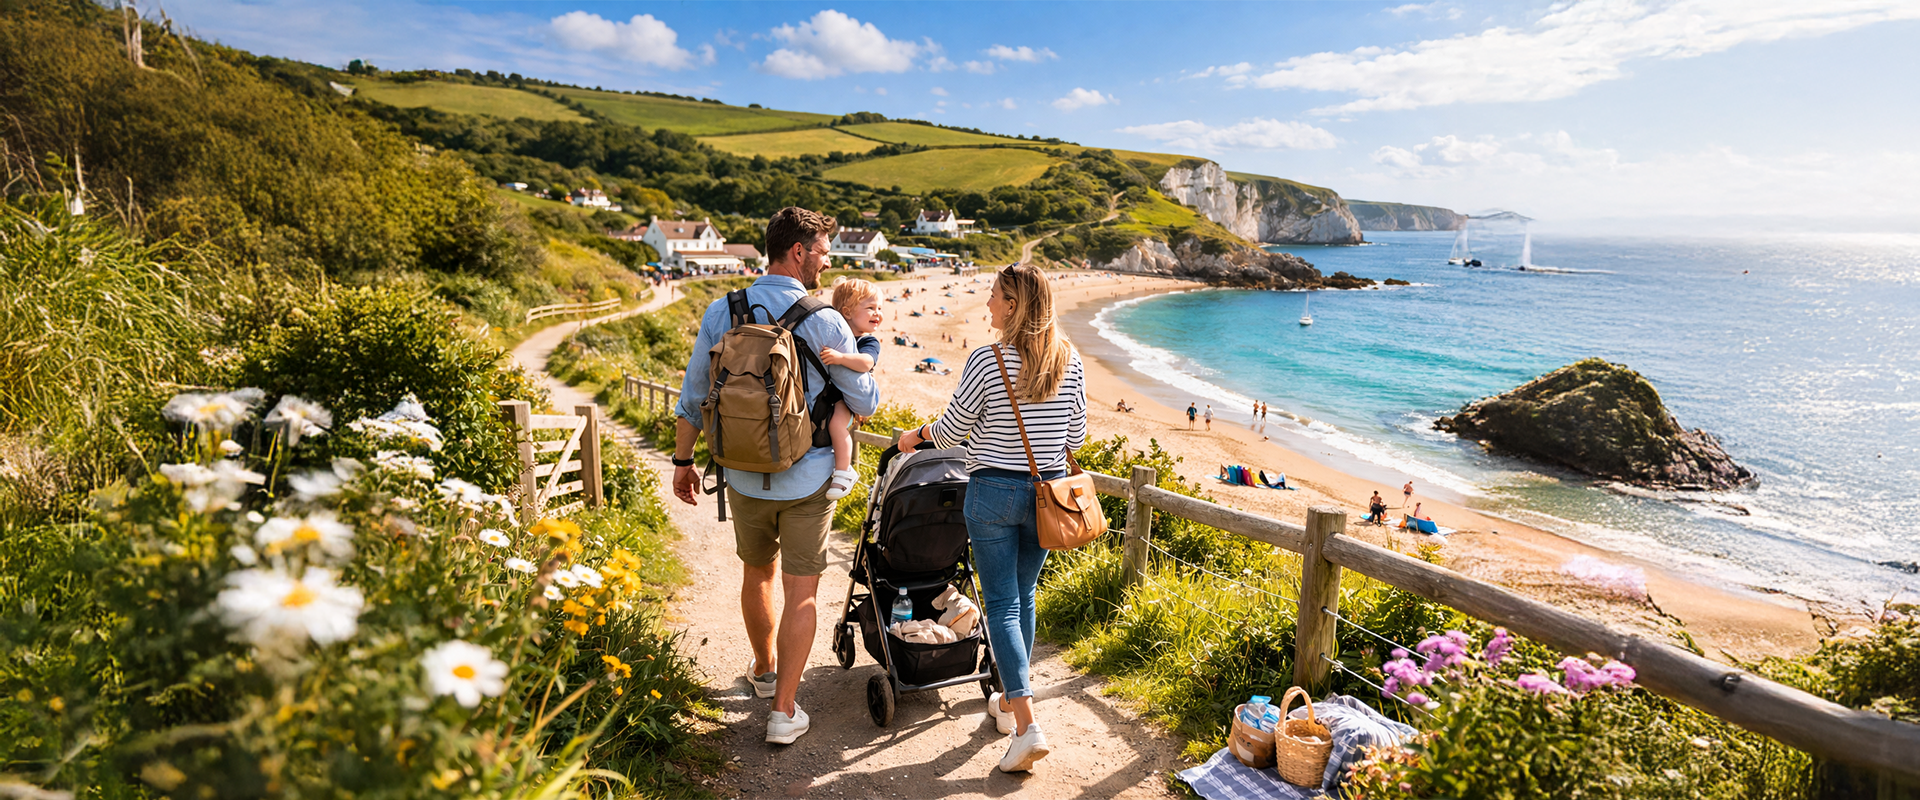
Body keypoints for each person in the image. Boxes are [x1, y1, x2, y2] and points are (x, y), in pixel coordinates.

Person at [670, 207, 878, 746]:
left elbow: (694, 395)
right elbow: (864, 401)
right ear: (798, 253)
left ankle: (764, 673)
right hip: (808, 476)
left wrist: (683, 462)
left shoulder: (723, 309)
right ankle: (784, 711)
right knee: (801, 592)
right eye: (822, 253)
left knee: (756, 573)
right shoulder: (826, 319)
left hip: (740, 473)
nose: (826, 262)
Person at [895, 263, 1085, 774]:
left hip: (994, 492)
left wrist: (915, 436)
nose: (986, 304)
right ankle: (1008, 703)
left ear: (1015, 305)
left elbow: (954, 430)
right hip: (1047, 494)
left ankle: (1025, 725)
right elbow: (1077, 438)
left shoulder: (987, 359)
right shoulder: (1069, 360)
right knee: (1023, 597)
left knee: (1001, 603)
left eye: (995, 296)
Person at [817, 277, 885, 501]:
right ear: (847, 312)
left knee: (838, 424)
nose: (878, 314)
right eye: (871, 308)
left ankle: (844, 471)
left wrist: (841, 358)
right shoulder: (835, 335)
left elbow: (866, 363)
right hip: (833, 391)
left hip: (848, 397)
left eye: (879, 308)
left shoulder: (868, 341)